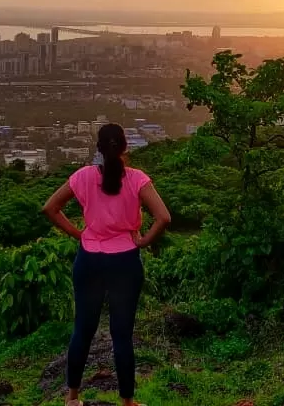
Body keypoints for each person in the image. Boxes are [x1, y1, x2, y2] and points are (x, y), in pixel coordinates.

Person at [42, 123, 172, 406]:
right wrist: (143, 241)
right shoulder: (137, 179)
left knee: (82, 330)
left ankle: (72, 397)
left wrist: (79, 233)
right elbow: (163, 217)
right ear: (126, 147)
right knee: (122, 336)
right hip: (125, 262)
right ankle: (127, 402)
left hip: (89, 260)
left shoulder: (84, 176)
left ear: (98, 148)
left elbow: (50, 208)